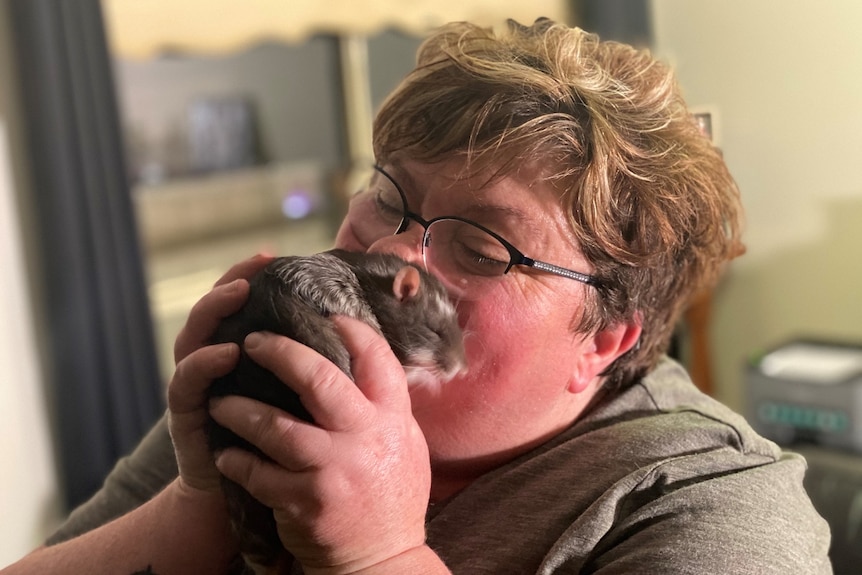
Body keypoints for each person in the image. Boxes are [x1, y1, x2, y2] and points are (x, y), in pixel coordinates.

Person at [3, 17, 831, 574]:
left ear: (604, 339)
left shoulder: (719, 512)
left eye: (480, 245)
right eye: (387, 197)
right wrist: (199, 497)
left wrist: (382, 555)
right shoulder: (287, 378)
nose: (395, 250)